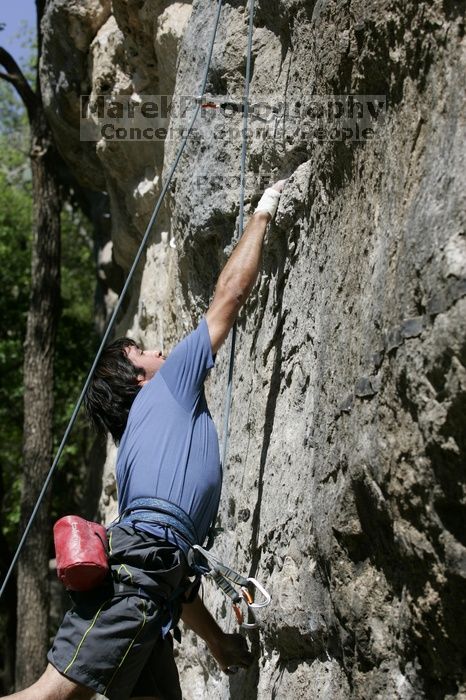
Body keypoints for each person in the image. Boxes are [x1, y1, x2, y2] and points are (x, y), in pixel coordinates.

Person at [6, 180, 286, 700]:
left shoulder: (136, 454)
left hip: (149, 592)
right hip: (138, 588)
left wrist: (221, 644)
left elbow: (166, 565)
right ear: (139, 377)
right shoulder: (170, 382)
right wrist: (264, 211)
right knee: (48, 697)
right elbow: (231, 295)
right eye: (144, 352)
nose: (159, 349)